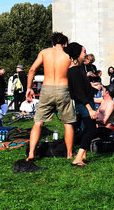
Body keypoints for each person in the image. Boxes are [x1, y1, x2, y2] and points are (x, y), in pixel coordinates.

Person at [26, 32, 76, 161]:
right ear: (65, 43)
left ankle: (31, 153)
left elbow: (32, 70)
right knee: (68, 123)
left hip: (47, 88)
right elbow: (74, 73)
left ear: (52, 42)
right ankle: (69, 154)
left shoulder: (44, 52)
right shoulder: (68, 54)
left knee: (38, 122)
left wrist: (29, 88)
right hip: (63, 88)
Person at [66, 43, 98, 167]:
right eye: (83, 52)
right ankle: (78, 158)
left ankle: (83, 155)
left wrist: (92, 87)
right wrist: (89, 109)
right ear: (77, 53)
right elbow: (78, 93)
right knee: (91, 128)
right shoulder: (73, 71)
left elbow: (82, 88)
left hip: (87, 102)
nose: (85, 54)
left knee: (87, 128)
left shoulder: (79, 69)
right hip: (84, 104)